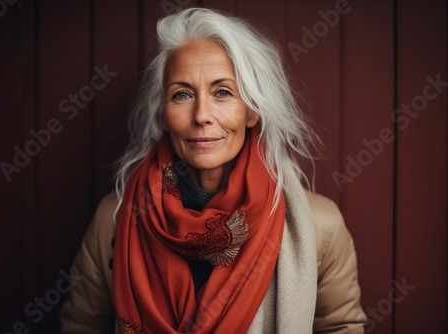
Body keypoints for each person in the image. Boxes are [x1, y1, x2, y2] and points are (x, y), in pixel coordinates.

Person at [60, 8, 367, 334]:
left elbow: (340, 328)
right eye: (182, 94)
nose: (201, 115)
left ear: (252, 111)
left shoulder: (320, 226)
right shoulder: (116, 218)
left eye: (222, 92)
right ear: (163, 115)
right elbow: (83, 327)